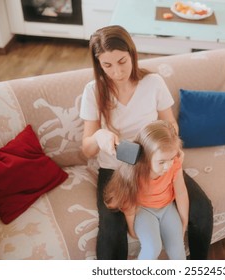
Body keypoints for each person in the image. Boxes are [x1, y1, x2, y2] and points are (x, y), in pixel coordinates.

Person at [80, 25, 213, 260]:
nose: (117, 72)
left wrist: (171, 146)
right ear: (98, 64)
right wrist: (99, 137)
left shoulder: (153, 82)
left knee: (201, 209)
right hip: (116, 168)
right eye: (107, 65)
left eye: (122, 61)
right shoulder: (93, 91)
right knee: (112, 228)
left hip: (156, 163)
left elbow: (171, 124)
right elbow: (86, 149)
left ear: (132, 53)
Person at [104, 120, 188, 259]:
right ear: (147, 158)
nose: (168, 166)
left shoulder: (174, 165)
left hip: (167, 208)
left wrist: (183, 221)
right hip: (144, 210)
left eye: (171, 158)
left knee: (178, 248)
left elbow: (181, 192)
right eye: (162, 162)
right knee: (153, 248)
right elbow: (129, 202)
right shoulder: (134, 172)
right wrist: (131, 229)